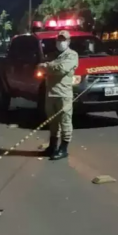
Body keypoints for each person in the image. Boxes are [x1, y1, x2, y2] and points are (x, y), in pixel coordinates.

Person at [38, 30, 79, 161]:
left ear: (68, 41)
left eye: (64, 40)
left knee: (65, 122)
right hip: (50, 94)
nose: (61, 42)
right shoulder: (52, 55)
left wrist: (47, 66)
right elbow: (39, 67)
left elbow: (61, 70)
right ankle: (53, 146)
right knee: (52, 122)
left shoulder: (72, 55)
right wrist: (49, 66)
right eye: (59, 40)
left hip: (63, 95)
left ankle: (63, 148)